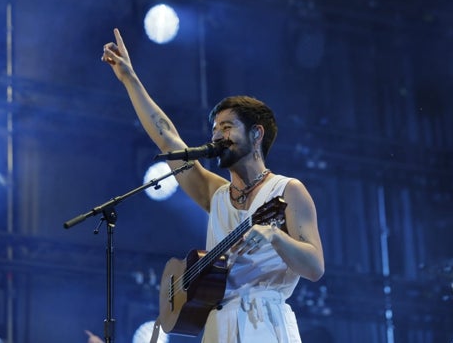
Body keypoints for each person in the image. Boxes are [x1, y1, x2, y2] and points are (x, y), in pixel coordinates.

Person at [101, 28, 324, 343]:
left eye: (227, 127)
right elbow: (167, 138)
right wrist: (129, 79)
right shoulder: (216, 194)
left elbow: (315, 266)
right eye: (215, 129)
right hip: (218, 325)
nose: (217, 136)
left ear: (257, 134)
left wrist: (275, 236)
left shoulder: (288, 190)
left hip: (266, 324)